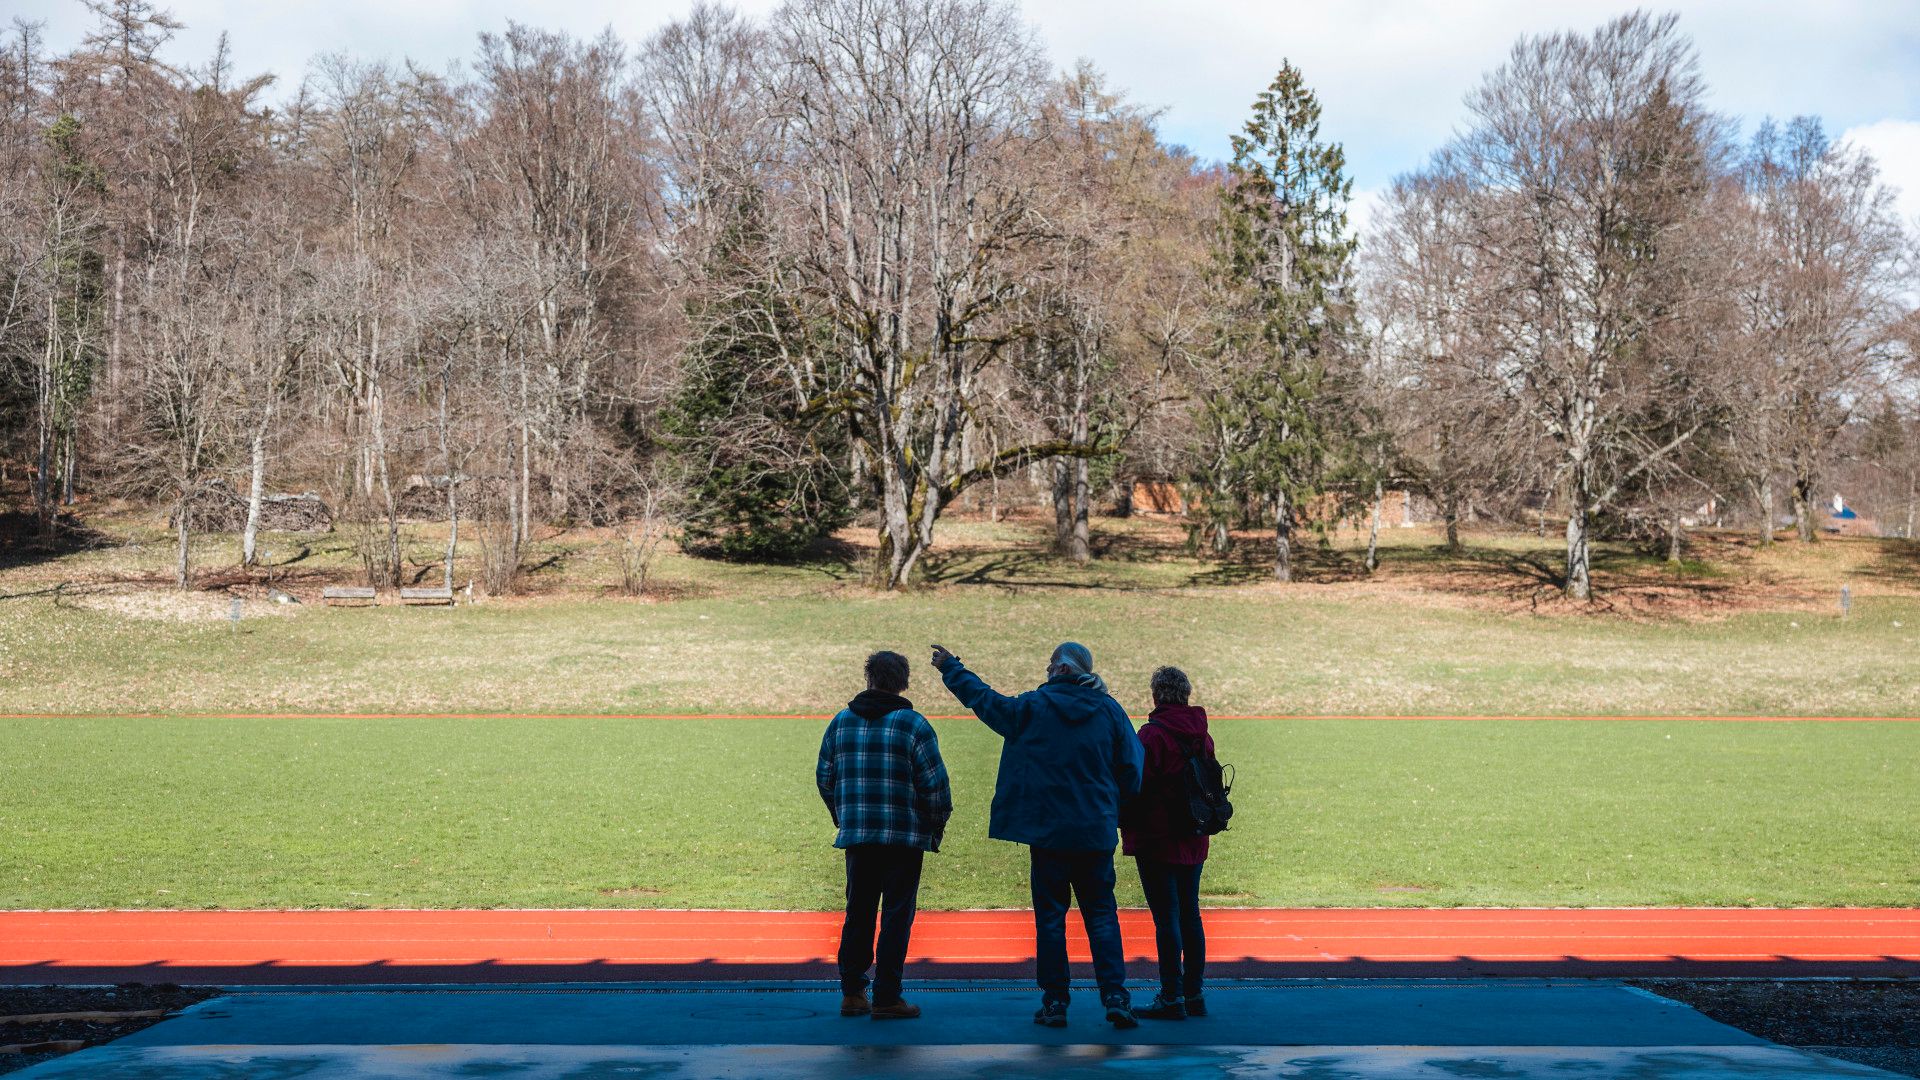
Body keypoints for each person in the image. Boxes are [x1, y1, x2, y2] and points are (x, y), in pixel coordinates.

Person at [930, 641, 1144, 1030]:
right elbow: (1132, 769)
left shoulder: (1034, 707)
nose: (1046, 667)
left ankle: (1055, 1002)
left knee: (1050, 919)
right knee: (1101, 917)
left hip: (1047, 834)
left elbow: (987, 702)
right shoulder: (1110, 711)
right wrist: (1114, 812)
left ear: (1062, 669)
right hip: (1094, 832)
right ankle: (1115, 997)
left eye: (1051, 663)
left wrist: (952, 668)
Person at [817, 650, 953, 1020]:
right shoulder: (914, 725)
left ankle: (852, 993)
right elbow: (936, 787)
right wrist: (934, 825)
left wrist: (844, 817)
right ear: (904, 682)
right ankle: (888, 996)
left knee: (858, 912)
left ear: (869, 678)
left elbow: (824, 778)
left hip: (858, 837)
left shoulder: (841, 722)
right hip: (905, 839)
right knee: (896, 916)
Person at [1121, 666, 1215, 1019]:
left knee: (1167, 919)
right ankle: (1194, 994)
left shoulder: (1151, 735)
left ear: (1156, 695)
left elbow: (1136, 786)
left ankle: (1171, 996)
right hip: (1194, 835)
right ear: (1186, 694)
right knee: (1190, 913)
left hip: (1158, 839)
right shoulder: (1202, 735)